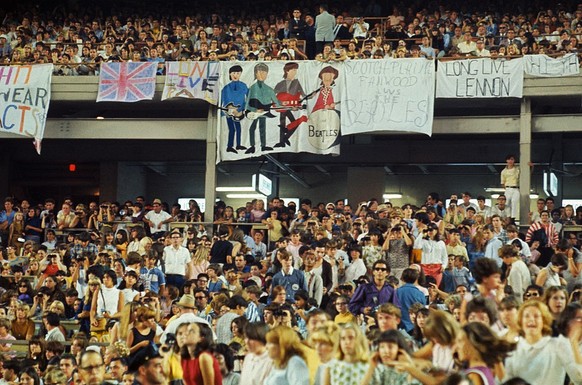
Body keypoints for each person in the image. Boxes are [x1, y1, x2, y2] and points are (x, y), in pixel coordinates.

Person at [504, 300, 582, 384]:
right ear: (521, 321)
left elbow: (579, 378)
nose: (531, 319)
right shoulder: (514, 349)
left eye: (536, 316)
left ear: (543, 321)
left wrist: (573, 343)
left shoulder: (558, 345)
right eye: (526, 316)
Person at [245, 63, 280, 154]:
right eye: (259, 72)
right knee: (252, 128)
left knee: (262, 128)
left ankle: (263, 146)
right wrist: (254, 110)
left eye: (264, 72)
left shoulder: (269, 89)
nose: (262, 74)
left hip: (264, 113)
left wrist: (291, 105)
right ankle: (252, 146)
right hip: (254, 112)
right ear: (255, 73)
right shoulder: (252, 88)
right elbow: (247, 104)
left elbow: (277, 103)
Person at [221, 64, 248, 154]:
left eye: (238, 73)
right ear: (230, 74)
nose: (235, 75)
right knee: (231, 129)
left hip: (239, 112)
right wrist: (226, 111)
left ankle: (239, 144)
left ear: (240, 74)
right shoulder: (225, 88)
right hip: (228, 112)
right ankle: (229, 146)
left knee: (239, 128)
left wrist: (240, 109)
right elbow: (223, 102)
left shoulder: (244, 86)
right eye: (233, 73)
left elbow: (248, 100)